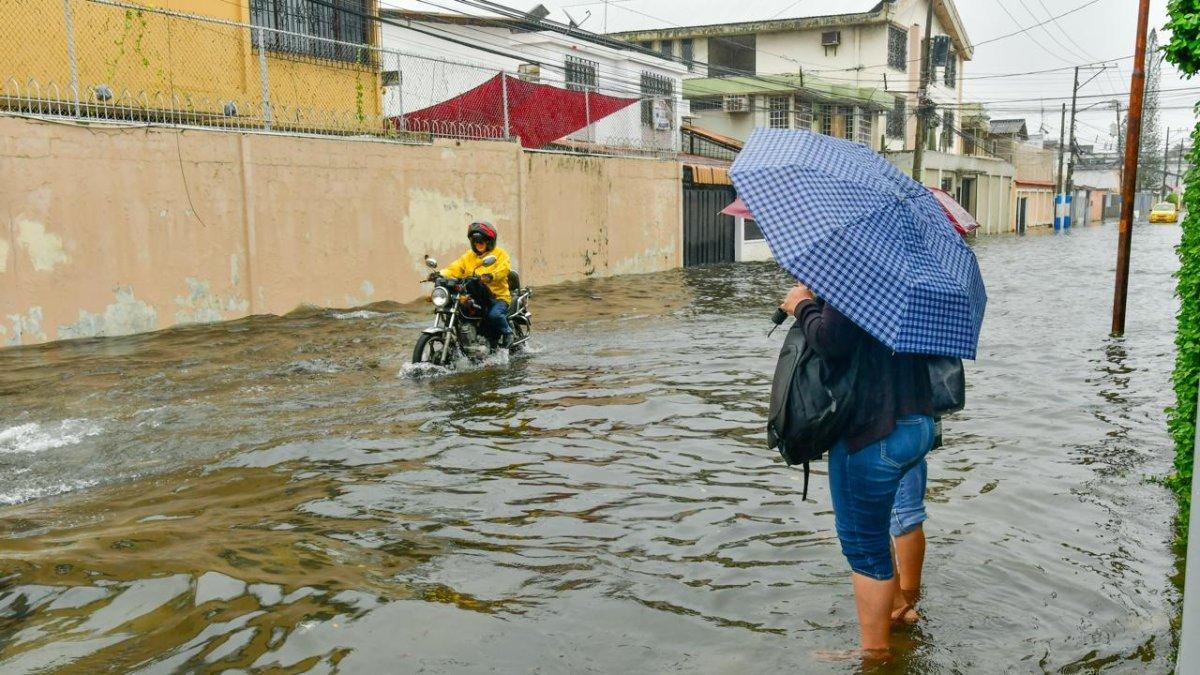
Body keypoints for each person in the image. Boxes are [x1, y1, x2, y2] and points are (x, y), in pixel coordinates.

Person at [779, 281, 935, 657]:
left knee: (864, 549)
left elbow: (834, 340)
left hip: (873, 428)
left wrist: (802, 306)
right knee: (884, 522)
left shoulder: (856, 268)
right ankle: (899, 607)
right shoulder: (911, 270)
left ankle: (875, 656)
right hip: (917, 419)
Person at [437, 221, 514, 348]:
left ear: (489, 242)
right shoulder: (468, 256)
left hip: (497, 297)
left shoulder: (500, 254)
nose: (478, 245)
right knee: (460, 311)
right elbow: (454, 268)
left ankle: (508, 333)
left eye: (482, 241)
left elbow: (503, 269)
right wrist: (440, 274)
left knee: (493, 315)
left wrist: (491, 276)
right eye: (476, 242)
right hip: (476, 295)